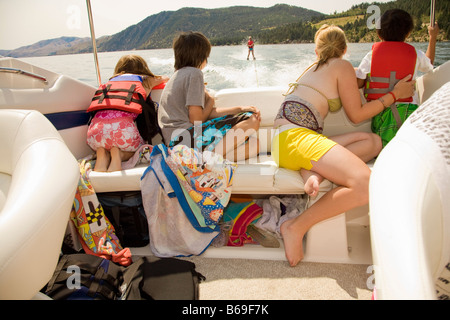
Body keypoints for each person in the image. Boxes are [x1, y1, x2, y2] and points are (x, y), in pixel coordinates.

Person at [271, 24, 416, 267]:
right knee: (365, 184)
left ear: (317, 50)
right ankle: (295, 227)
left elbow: (352, 85)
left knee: (372, 142)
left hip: (286, 142)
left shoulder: (314, 68)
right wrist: (395, 94)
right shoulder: (342, 66)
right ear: (345, 49)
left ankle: (316, 171)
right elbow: (357, 115)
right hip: (296, 140)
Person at [158, 31, 261, 162]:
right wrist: (211, 100)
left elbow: (206, 113)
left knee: (254, 145)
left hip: (176, 144)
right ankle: (206, 161)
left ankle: (201, 160)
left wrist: (239, 108)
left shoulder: (177, 76)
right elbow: (197, 119)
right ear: (201, 56)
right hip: (186, 138)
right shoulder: (194, 74)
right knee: (252, 121)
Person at [356, 9, 439, 147]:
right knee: (408, 145)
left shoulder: (371, 55)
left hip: (380, 110)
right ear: (408, 33)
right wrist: (432, 37)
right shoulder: (414, 53)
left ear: (378, 32)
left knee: (385, 146)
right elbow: (429, 64)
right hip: (409, 111)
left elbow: (359, 82)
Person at [87, 54, 168, 172]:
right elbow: (164, 78)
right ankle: (120, 155)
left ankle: (103, 154)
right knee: (140, 148)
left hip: (95, 134)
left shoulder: (110, 83)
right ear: (143, 69)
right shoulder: (145, 81)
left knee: (105, 145)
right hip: (122, 133)